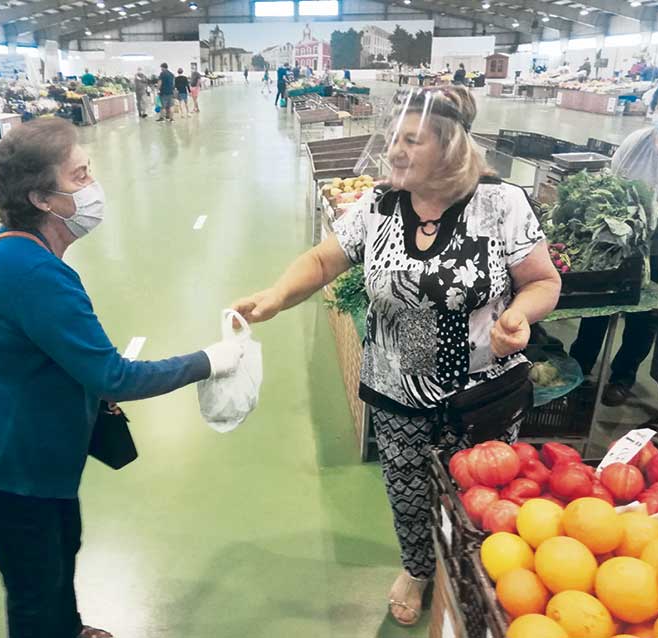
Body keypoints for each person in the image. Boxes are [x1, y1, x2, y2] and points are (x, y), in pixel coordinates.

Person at [232, 87, 560, 626]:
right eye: (393, 139)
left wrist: (521, 315)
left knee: (482, 497)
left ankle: (472, 570)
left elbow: (543, 281)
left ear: (451, 148)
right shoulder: (379, 204)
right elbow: (322, 260)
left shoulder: (501, 204)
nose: (394, 151)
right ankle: (416, 567)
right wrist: (275, 296)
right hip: (396, 388)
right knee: (406, 487)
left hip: (484, 389)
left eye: (411, 141)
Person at [0, 117, 244, 638]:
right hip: (10, 460)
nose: (93, 185)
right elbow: (114, 375)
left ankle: (71, 628)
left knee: (62, 547)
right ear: (43, 198)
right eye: (80, 176)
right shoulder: (30, 272)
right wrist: (208, 361)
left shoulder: (16, 245)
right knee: (34, 588)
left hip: (32, 444)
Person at [571, 78, 658, 405]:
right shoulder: (636, 141)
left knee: (641, 317)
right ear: (652, 110)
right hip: (616, 242)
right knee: (597, 307)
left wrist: (647, 216)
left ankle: (622, 377)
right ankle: (580, 367)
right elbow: (612, 177)